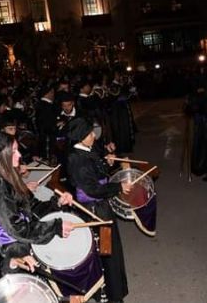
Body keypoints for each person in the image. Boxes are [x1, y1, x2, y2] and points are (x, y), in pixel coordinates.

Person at [66, 117, 131, 303]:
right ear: (80, 136)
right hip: (94, 211)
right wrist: (118, 187)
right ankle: (109, 295)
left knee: (111, 250)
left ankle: (114, 291)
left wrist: (108, 163)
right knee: (105, 251)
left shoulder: (87, 150)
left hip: (101, 207)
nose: (94, 135)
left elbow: (98, 171)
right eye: (89, 133)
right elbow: (92, 189)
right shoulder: (75, 158)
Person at [0, 134, 74, 265]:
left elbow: (32, 206)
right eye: (14, 151)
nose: (19, 155)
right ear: (1, 155)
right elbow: (15, 228)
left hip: (24, 239)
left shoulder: (11, 176)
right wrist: (55, 227)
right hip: (13, 251)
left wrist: (57, 201)